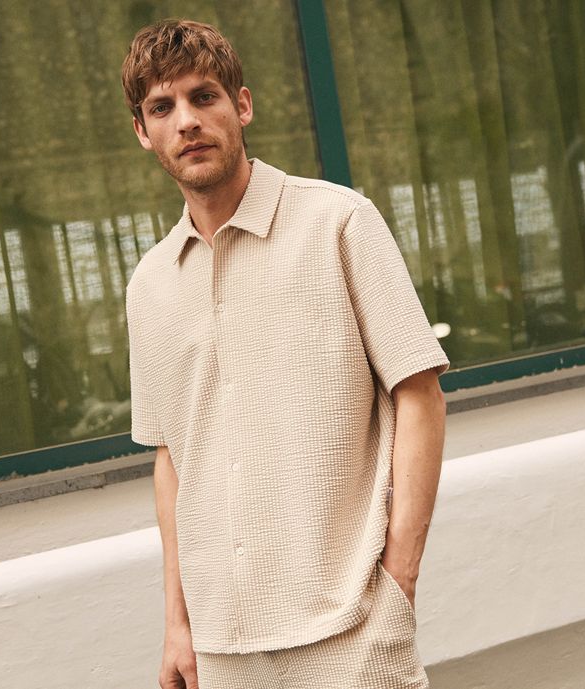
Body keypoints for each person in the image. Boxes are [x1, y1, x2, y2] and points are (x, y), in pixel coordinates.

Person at [122, 18, 449, 689]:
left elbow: (419, 395)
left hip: (349, 631)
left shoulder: (339, 223)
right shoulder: (149, 284)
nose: (187, 120)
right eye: (163, 107)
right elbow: (170, 459)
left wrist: (400, 582)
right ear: (142, 131)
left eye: (204, 97)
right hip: (222, 650)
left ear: (242, 106)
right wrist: (178, 625)